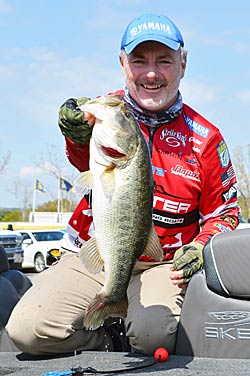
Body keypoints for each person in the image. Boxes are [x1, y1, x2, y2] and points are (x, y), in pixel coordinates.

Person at [6, 13, 239, 356]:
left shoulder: (206, 139)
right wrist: (76, 135)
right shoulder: (106, 111)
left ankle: (127, 330)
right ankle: (109, 338)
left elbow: (226, 212)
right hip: (94, 253)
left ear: (183, 64)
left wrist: (199, 248)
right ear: (122, 63)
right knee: (26, 331)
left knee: (152, 336)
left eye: (164, 60)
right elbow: (83, 157)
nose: (150, 73)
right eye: (139, 60)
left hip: (162, 263)